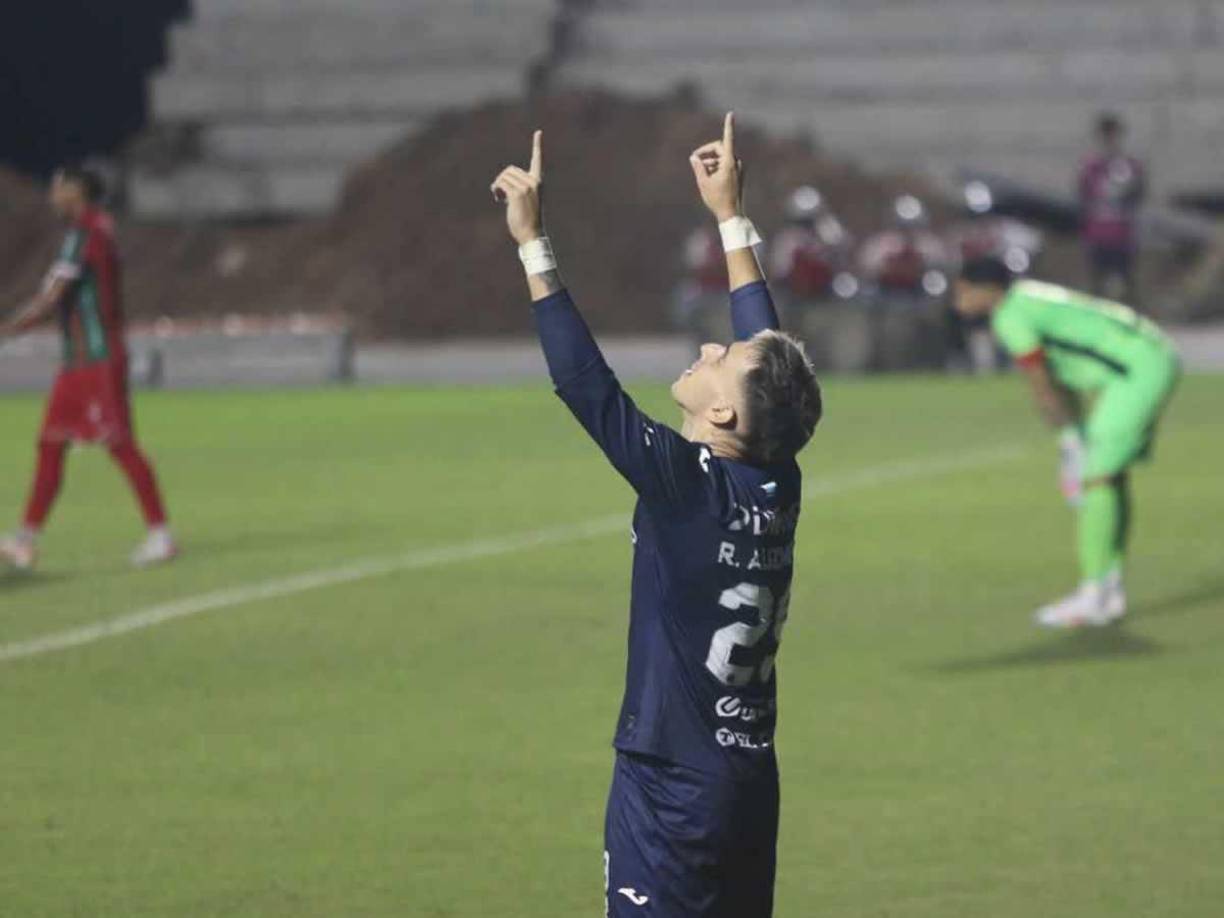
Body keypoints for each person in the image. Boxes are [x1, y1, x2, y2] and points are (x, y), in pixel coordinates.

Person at [490, 113, 822, 917]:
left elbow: (587, 388)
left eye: (721, 359)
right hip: (747, 778)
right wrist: (730, 217)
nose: (710, 348)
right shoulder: (776, 476)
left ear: (725, 416)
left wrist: (533, 245)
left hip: (670, 782)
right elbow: (767, 351)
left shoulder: (687, 487)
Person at [953, 256, 1179, 628]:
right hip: (1148, 358)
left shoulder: (1010, 315)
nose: (958, 301)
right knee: (1109, 479)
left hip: (1137, 371)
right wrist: (1072, 435)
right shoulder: (1030, 296)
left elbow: (1043, 386)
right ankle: (1108, 591)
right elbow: (1061, 377)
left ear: (986, 289)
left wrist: (1070, 443)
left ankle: (1094, 596)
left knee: (1097, 478)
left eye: (963, 292)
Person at [0, 165, 176, 571]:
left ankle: (161, 534)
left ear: (75, 192)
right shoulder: (95, 230)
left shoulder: (86, 235)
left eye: (57, 187)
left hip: (99, 360)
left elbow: (49, 300)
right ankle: (26, 539)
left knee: (119, 443)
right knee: (51, 443)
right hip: (76, 362)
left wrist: (6, 331)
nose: (52, 195)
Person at [1077, 112, 1146, 302]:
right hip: (1097, 233)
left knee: (1126, 282)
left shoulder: (1130, 165)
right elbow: (1083, 197)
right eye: (1106, 134)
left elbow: (1138, 194)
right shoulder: (1090, 166)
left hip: (1122, 234)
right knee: (1096, 284)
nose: (1110, 139)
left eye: (1113, 134)